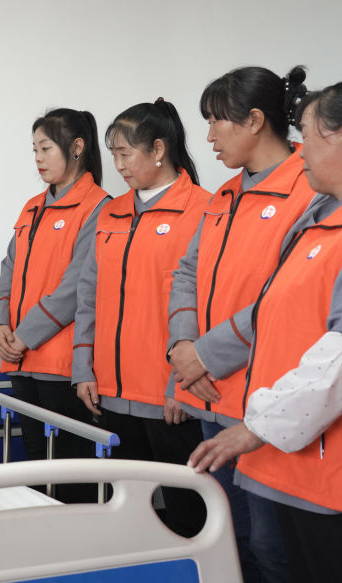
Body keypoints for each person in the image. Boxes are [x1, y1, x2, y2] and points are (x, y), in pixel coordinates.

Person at [189, 78, 342, 583]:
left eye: (307, 134)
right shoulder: (324, 217)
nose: (299, 149)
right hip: (306, 469)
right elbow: (276, 317)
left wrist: (255, 427)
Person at [165, 65, 310, 582]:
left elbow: (287, 297)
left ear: (254, 120)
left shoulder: (309, 191)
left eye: (216, 121)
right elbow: (187, 272)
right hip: (210, 395)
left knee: (272, 547)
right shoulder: (224, 197)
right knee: (229, 537)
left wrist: (203, 355)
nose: (208, 136)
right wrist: (183, 347)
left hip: (265, 403)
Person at [73, 98, 210, 536]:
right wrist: (83, 367)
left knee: (188, 515)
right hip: (112, 392)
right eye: (113, 155)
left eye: (125, 154)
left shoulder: (203, 210)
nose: (118, 166)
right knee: (130, 515)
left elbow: (206, 306)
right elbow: (88, 295)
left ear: (158, 149)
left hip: (169, 397)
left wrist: (182, 385)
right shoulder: (111, 212)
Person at [0, 108, 108, 503]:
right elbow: (9, 267)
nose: (38, 158)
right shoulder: (32, 207)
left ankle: (79, 537)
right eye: (34, 150)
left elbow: (76, 287)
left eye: (46, 148)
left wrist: (24, 335)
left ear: (77, 147)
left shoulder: (98, 207)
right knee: (36, 462)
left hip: (61, 363)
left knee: (71, 467)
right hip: (20, 357)